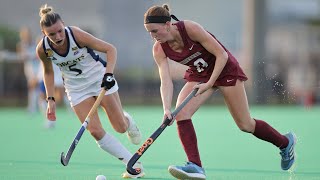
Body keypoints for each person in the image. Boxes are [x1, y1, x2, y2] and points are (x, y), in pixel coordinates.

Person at [143, 4, 296, 180]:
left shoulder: (190, 29)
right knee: (181, 113)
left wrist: (209, 83)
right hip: (200, 73)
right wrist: (166, 109)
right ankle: (195, 166)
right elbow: (166, 80)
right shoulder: (159, 49)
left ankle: (285, 143)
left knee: (245, 125)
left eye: (154, 31)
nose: (152, 36)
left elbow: (221, 55)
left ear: (167, 24)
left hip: (225, 70)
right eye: (149, 32)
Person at [36, 4, 144, 178]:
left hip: (99, 79)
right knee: (94, 131)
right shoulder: (43, 49)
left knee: (120, 127)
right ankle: (132, 163)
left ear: (63, 24)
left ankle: (128, 121)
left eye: (60, 31)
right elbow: (48, 72)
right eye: (51, 34)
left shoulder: (76, 35)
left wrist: (108, 74)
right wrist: (50, 100)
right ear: (44, 34)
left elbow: (111, 49)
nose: (58, 36)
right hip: (76, 88)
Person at [17, 26, 40, 114]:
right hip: (29, 68)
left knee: (37, 87)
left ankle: (35, 107)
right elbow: (22, 57)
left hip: (38, 67)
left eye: (27, 34)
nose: (26, 36)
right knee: (32, 87)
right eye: (24, 34)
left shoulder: (35, 43)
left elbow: (38, 55)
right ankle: (32, 107)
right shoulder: (21, 45)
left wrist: (32, 56)